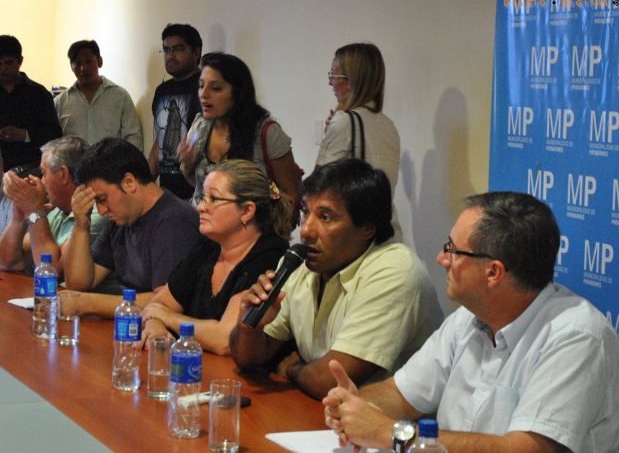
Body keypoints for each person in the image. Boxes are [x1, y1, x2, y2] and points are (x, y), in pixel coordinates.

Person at [323, 191, 619, 453]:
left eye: (452, 250)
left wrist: (391, 433)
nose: (441, 259)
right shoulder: (468, 318)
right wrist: (353, 405)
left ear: (493, 272)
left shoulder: (577, 337)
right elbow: (401, 394)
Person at [229, 159, 441, 400]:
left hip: (390, 421)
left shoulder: (395, 270)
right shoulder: (302, 265)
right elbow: (248, 359)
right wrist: (249, 327)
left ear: (367, 228)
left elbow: (330, 381)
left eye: (326, 217)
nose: (306, 230)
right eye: (305, 212)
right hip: (323, 413)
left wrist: (292, 369)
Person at [140, 159, 291, 355]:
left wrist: (168, 318)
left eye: (213, 199)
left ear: (247, 211)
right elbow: (157, 305)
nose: (201, 207)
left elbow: (225, 340)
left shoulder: (270, 256)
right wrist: (155, 327)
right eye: (202, 197)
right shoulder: (209, 247)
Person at [63, 138, 202, 316]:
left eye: (102, 199)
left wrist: (85, 303)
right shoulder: (121, 218)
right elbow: (78, 284)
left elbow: (165, 303)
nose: (102, 211)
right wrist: (81, 224)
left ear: (129, 183)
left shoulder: (175, 223)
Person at [179, 52, 301, 220]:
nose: (203, 94)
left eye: (216, 88)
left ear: (238, 92)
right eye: (201, 86)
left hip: (249, 228)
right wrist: (188, 165)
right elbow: (200, 186)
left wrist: (260, 191)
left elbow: (290, 197)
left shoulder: (267, 132)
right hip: (202, 225)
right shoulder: (200, 126)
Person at [316, 42, 402, 240]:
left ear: (350, 81)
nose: (330, 83)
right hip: (387, 232)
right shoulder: (388, 126)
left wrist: (328, 135)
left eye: (333, 75)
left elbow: (317, 186)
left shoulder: (344, 121)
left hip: (353, 237)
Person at [0, 136, 106, 274]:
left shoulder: (98, 212)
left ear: (63, 174)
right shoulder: (57, 211)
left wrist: (34, 209)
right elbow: (7, 261)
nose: (41, 181)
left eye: (43, 173)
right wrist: (19, 216)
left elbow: (52, 271)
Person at [54, 40, 143, 150]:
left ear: (100, 61)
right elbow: (53, 143)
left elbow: (133, 137)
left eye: (88, 61)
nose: (83, 68)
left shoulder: (120, 97)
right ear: (71, 67)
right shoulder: (59, 103)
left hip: (111, 161)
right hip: (73, 161)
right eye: (78, 63)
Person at [148, 23, 202, 199]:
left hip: (199, 194)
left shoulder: (206, 88)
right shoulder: (162, 91)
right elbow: (159, 141)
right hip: (167, 195)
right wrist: (145, 185)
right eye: (166, 50)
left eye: (178, 49)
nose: (171, 55)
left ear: (196, 52)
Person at [0, 35, 62, 172]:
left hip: (31, 169)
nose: (3, 69)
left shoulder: (39, 93)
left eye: (8, 63)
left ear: (20, 61)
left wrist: (25, 134)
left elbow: (54, 134)